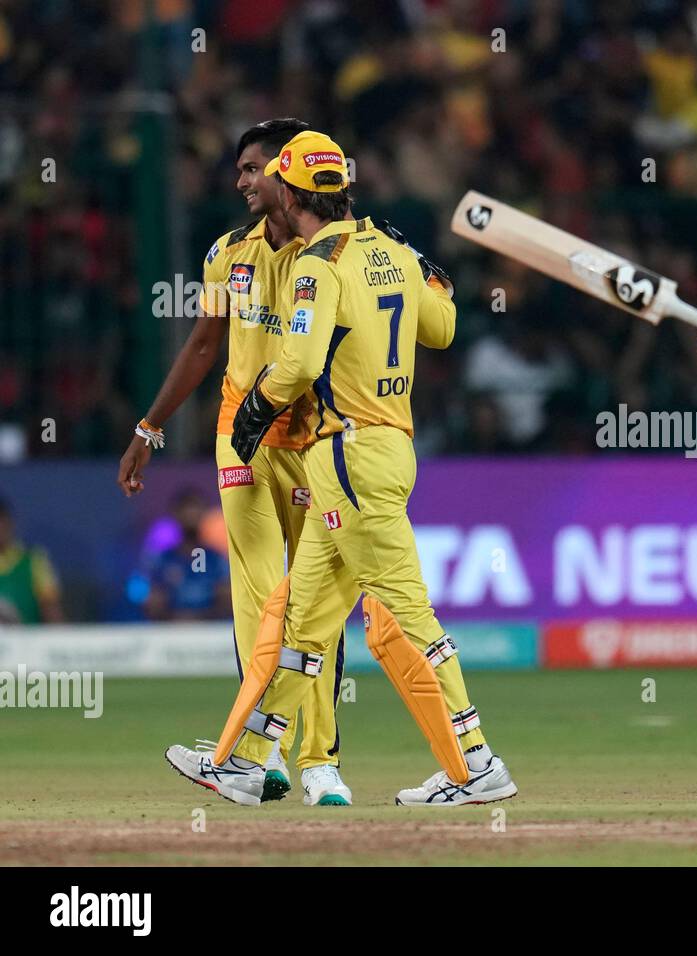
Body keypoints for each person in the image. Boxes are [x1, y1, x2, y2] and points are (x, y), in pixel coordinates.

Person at [164, 130, 516, 807]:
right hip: (383, 449)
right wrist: (430, 273)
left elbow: (295, 364)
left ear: (293, 193)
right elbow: (441, 328)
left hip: (346, 453)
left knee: (410, 615)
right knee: (305, 620)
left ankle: (476, 760)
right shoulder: (391, 251)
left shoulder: (315, 263)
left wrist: (255, 408)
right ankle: (250, 759)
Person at [118, 119, 350, 806]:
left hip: (314, 443)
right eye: (240, 170)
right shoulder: (228, 254)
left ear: (287, 171)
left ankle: (321, 760)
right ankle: (262, 755)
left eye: (252, 169)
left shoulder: (337, 253)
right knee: (255, 603)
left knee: (314, 606)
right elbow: (201, 346)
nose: (241, 182)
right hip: (240, 439)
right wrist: (148, 427)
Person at [143, 489, 231, 621]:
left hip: (211, 632)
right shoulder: (163, 561)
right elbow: (152, 604)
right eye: (186, 510)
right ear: (175, 514)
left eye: (196, 509)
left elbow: (228, 601)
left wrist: (199, 620)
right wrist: (178, 620)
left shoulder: (217, 560)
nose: (191, 515)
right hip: (171, 632)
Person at [0, 497, 64, 625]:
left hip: (25, 641)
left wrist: (61, 641)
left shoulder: (34, 561)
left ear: (10, 524)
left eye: (1, 522)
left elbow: (51, 609)